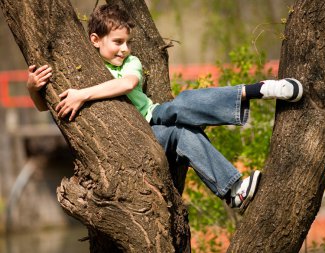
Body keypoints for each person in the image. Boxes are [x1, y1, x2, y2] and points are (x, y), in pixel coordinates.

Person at [27, 4, 303, 213]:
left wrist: (83, 95)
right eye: (117, 42)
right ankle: (234, 187)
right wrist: (32, 88)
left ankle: (256, 93)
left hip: (151, 115)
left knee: (181, 106)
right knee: (179, 133)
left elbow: (128, 84)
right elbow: (46, 108)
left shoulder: (129, 63)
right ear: (95, 40)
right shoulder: (81, 67)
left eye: (127, 42)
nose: (124, 49)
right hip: (133, 137)